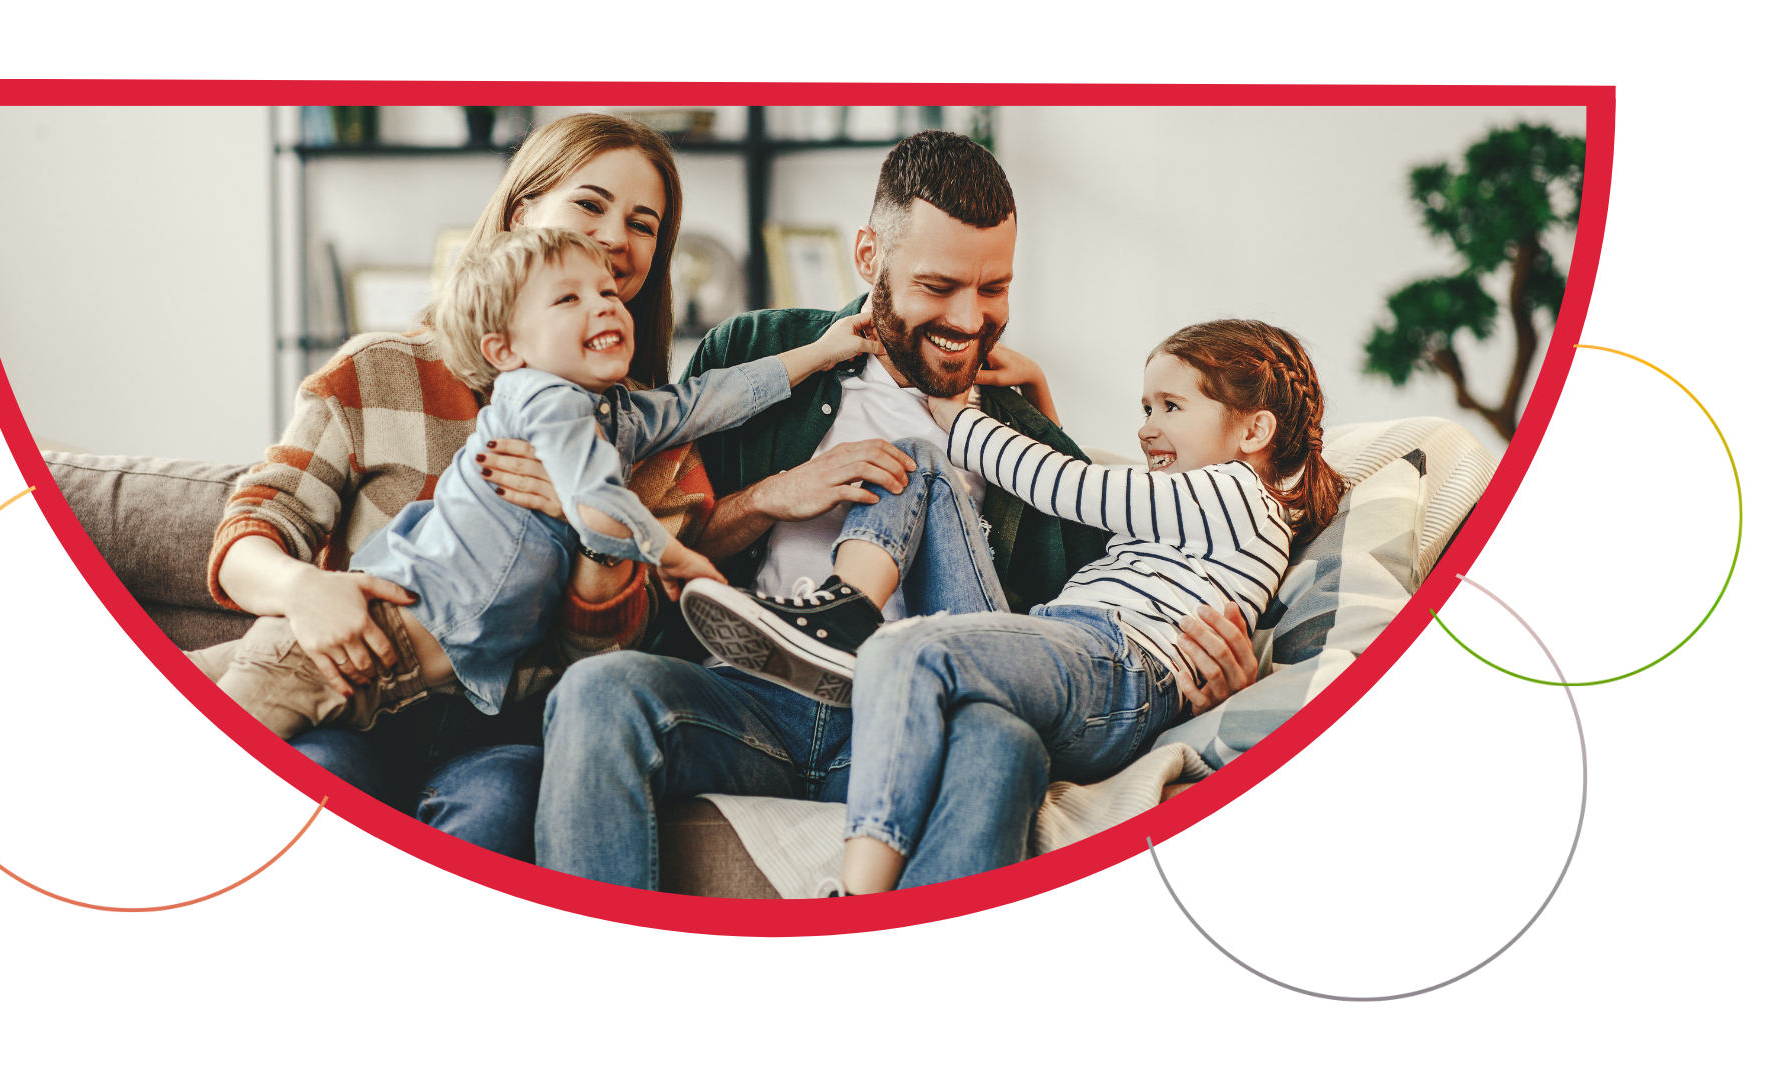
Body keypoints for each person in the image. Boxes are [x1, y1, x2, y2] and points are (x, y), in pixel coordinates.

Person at [535, 130, 1264, 891]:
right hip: (749, 701)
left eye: (993, 289)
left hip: (917, 721)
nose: (969, 319)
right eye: (938, 286)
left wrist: (1208, 669)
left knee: (1005, 742)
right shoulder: (758, 349)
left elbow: (1090, 620)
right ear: (868, 255)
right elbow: (660, 559)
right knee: (598, 693)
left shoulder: (1021, 437)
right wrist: (771, 497)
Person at [198, 113, 704, 859]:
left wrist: (585, 515)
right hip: (352, 691)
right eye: (589, 204)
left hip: (497, 733)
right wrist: (305, 589)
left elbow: (597, 664)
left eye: (642, 224)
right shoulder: (379, 368)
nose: (614, 237)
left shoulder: (651, 443)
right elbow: (253, 528)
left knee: (499, 811)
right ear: (522, 213)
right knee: (317, 784)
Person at [714, 319, 1344, 893]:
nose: (1146, 427)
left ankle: (855, 896)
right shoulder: (1199, 510)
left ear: (1254, 431)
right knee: (915, 464)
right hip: (1069, 653)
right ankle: (841, 612)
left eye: (1170, 407)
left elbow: (1074, 489)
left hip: (1117, 662)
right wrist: (1038, 390)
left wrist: (960, 417)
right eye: (1146, 407)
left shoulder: (1237, 492)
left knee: (907, 650)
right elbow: (1090, 510)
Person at [219, 226, 876, 739]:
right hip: (354, 642)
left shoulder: (616, 414)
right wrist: (678, 559)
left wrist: (822, 350)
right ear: (506, 351)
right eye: (569, 298)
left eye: (608, 293)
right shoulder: (543, 398)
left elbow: (708, 398)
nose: (606, 306)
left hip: (402, 682)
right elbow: (594, 502)